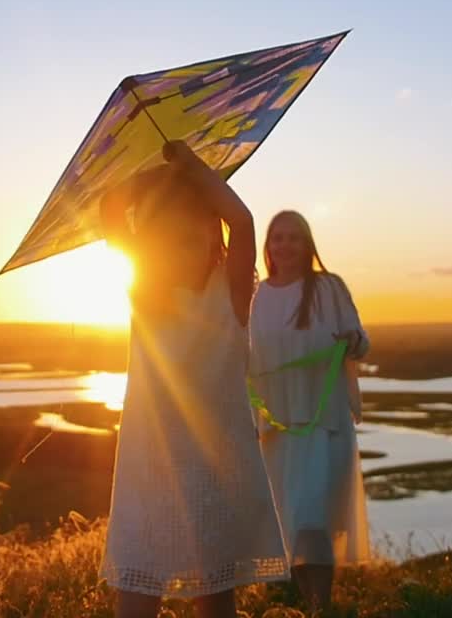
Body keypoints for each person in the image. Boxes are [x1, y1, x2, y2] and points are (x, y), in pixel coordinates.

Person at [98, 142, 288, 618]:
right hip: (152, 466)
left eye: (189, 239)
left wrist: (193, 171)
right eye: (162, 241)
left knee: (216, 586)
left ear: (212, 239)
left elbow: (242, 221)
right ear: (147, 249)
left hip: (215, 468)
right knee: (140, 582)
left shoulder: (231, 294)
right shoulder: (146, 297)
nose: (176, 250)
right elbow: (110, 208)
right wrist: (161, 180)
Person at [248, 210, 370, 611]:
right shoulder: (257, 295)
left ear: (308, 244)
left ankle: (320, 606)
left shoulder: (329, 288)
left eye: (293, 237)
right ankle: (308, 606)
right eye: (277, 237)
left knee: (312, 521)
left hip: (322, 424)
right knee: (291, 526)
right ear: (268, 246)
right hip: (277, 429)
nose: (284, 245)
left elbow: (360, 340)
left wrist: (352, 340)